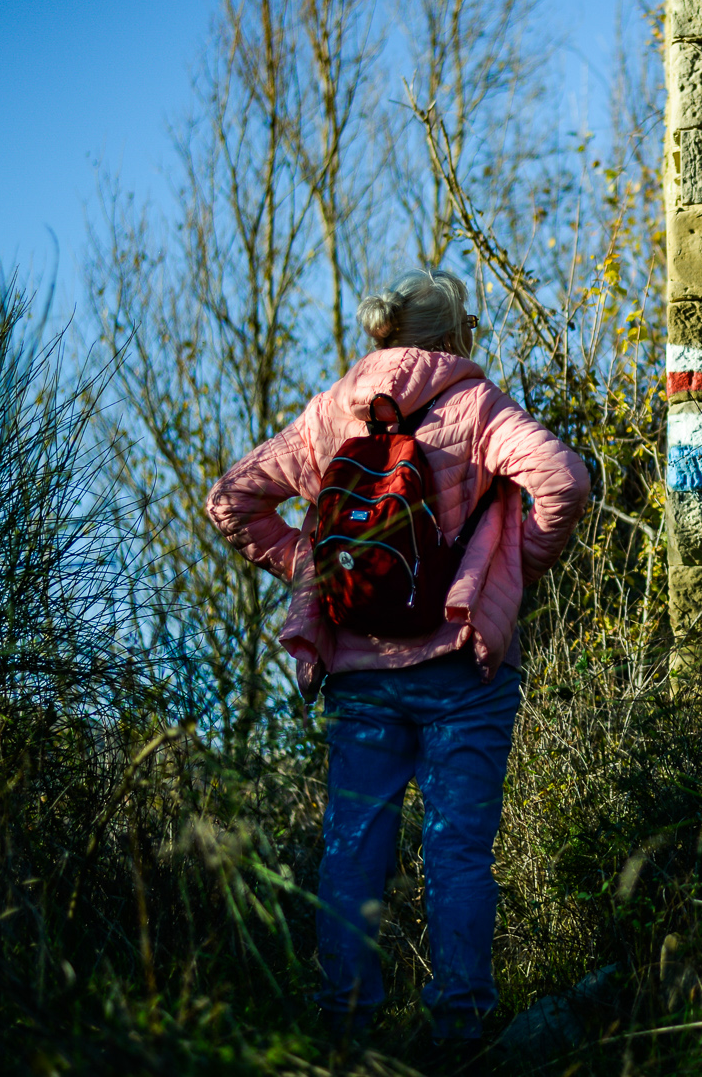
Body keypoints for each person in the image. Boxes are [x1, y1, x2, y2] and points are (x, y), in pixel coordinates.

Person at [205, 269, 590, 1048]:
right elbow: (563, 478)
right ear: (452, 339)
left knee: (353, 845)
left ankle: (344, 1024)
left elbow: (230, 500)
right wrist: (513, 571)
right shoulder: (475, 405)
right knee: (456, 849)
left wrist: (312, 570)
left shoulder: (326, 415)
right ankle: (461, 1028)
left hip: (359, 671)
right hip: (462, 667)